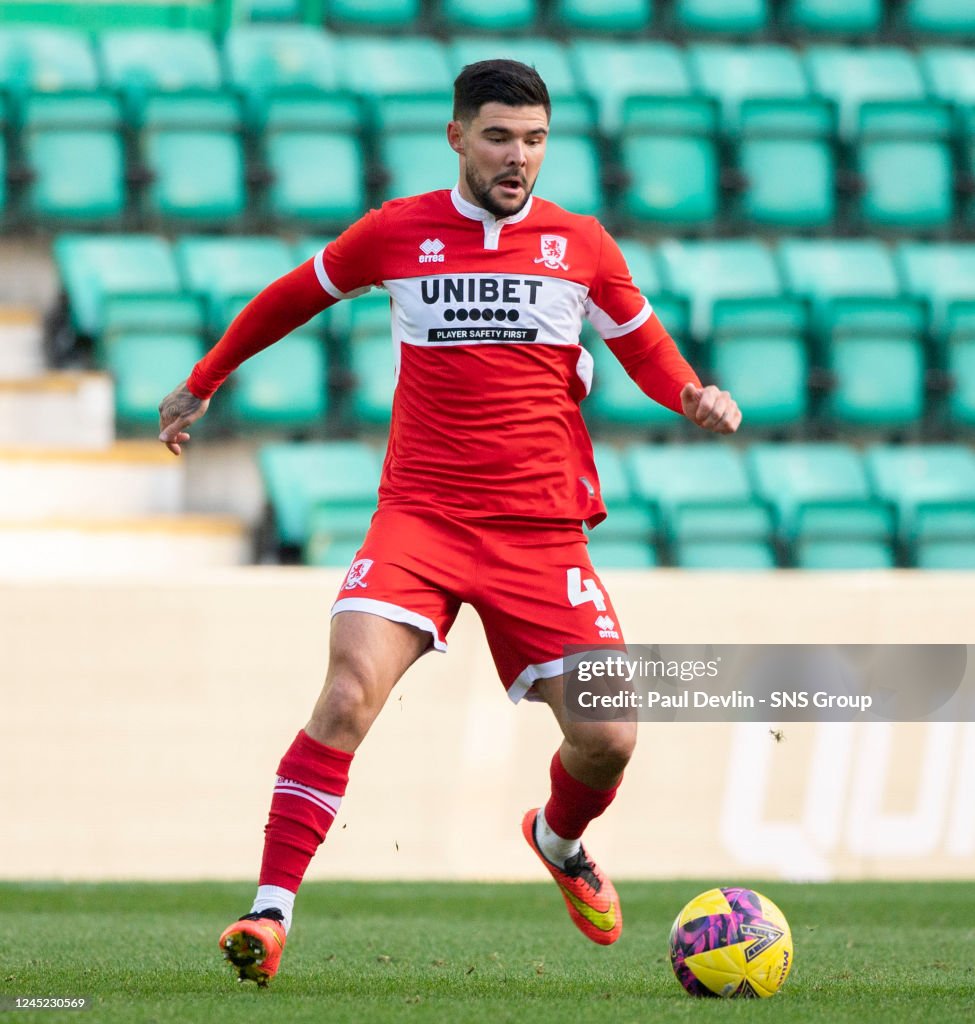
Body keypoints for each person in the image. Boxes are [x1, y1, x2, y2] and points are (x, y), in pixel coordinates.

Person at [158, 59, 741, 987]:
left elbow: (644, 348)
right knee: (348, 693)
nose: (519, 158)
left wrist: (691, 397)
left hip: (541, 534)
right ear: (458, 137)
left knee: (611, 737)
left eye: (536, 140)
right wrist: (203, 380)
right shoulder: (398, 232)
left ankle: (556, 840)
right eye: (501, 136)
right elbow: (290, 297)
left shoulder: (579, 245)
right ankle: (267, 914)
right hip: (419, 520)